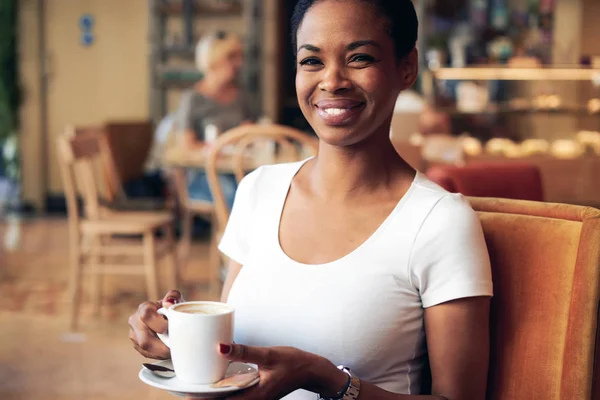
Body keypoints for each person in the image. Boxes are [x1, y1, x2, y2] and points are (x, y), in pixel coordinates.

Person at [128, 1, 493, 399]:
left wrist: (326, 379)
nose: (332, 80)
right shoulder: (258, 190)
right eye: (312, 61)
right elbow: (233, 361)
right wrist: (176, 346)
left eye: (359, 58)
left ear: (407, 67)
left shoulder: (439, 222)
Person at [178, 31, 257, 210]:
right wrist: (218, 148)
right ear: (213, 61)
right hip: (203, 175)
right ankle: (233, 237)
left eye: (239, 57)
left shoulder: (241, 95)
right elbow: (187, 146)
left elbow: (251, 133)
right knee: (235, 193)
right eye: (232, 57)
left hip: (239, 169)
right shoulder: (193, 99)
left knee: (259, 189)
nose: (239, 63)